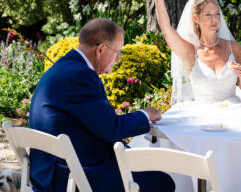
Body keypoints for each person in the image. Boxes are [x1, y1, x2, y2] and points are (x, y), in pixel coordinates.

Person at [29, 19, 175, 192]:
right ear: (101, 49)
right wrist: (145, 114)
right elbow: (111, 129)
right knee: (162, 181)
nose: (118, 60)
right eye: (117, 53)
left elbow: (98, 123)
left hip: (52, 168)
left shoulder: (64, 67)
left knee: (142, 165)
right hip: (70, 176)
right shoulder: (80, 76)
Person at [149, 0, 241, 104]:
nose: (214, 19)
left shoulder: (234, 47)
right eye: (208, 15)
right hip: (204, 117)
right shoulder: (190, 52)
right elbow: (166, 29)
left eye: (216, 14)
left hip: (233, 112)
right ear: (196, 19)